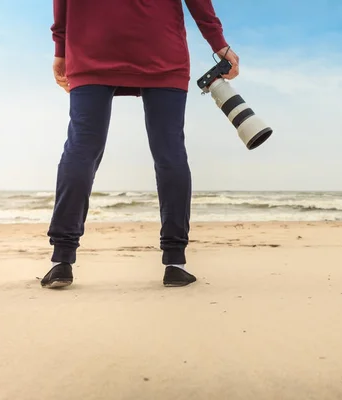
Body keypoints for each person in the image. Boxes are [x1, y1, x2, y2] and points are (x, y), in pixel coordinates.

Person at [40, 0, 239, 289]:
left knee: (81, 148)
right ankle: (175, 262)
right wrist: (219, 45)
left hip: (91, 47)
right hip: (161, 49)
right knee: (169, 151)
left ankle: (61, 261)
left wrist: (60, 49)